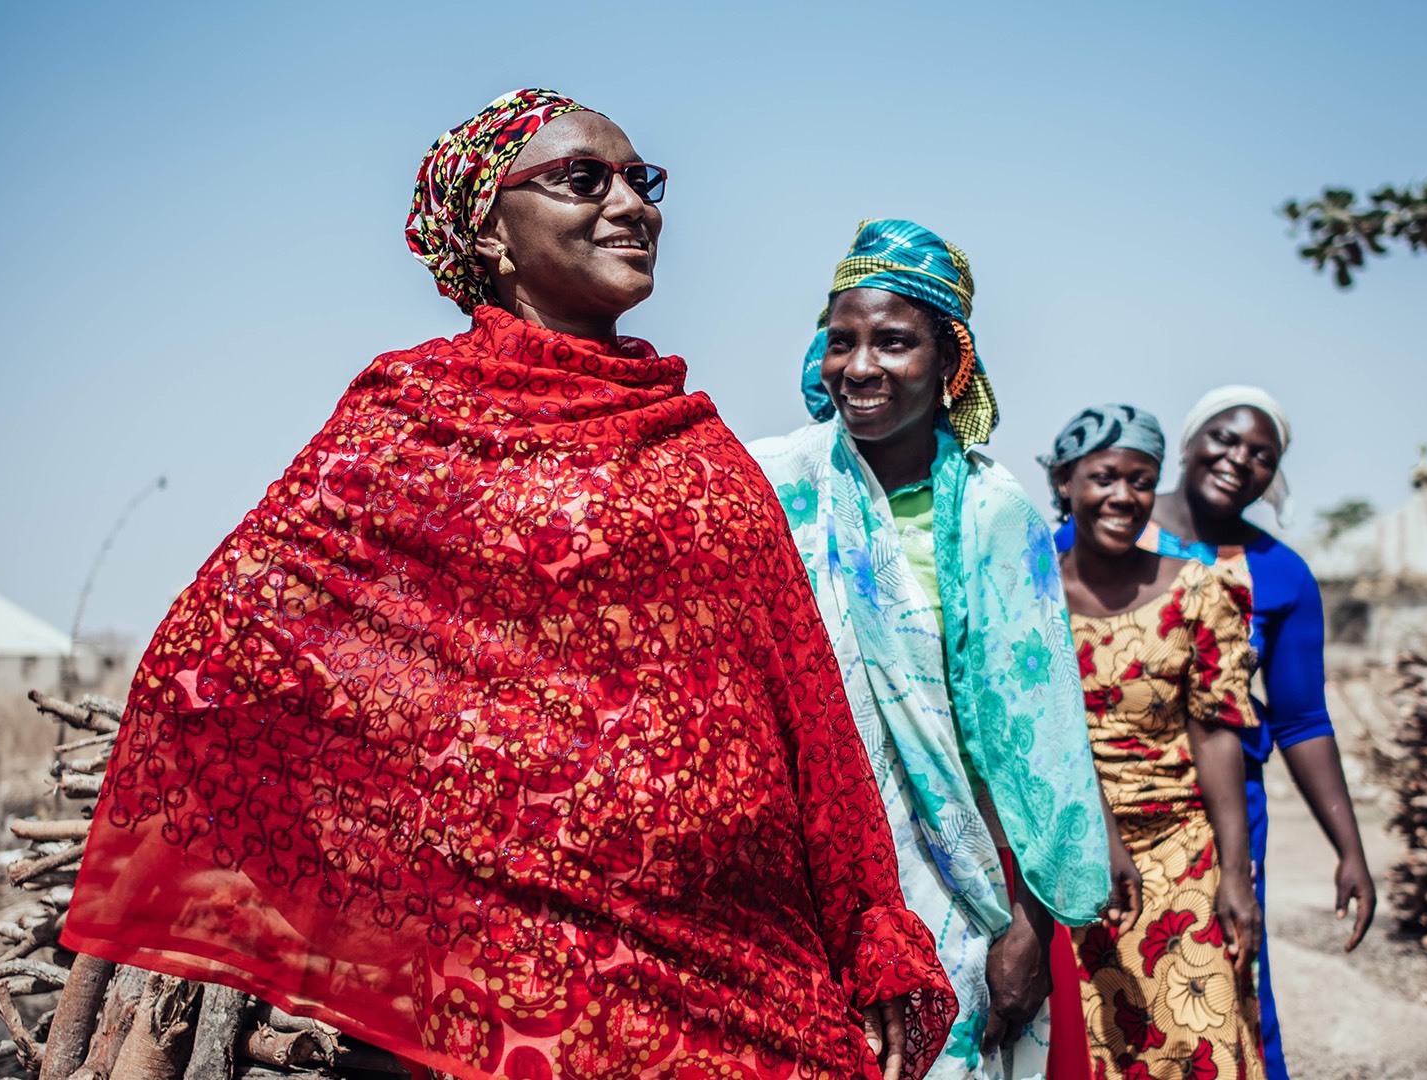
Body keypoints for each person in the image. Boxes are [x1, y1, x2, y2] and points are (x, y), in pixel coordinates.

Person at [59, 91, 956, 1080]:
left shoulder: (699, 448)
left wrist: (872, 928)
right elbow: (218, 651)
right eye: (585, 179)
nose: (632, 205)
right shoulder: (409, 424)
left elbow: (808, 715)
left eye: (642, 180)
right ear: (488, 228)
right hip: (506, 963)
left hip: (737, 959)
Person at [749, 220, 1123, 1080]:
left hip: (956, 891)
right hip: (801, 881)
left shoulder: (996, 519)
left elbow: (1035, 745)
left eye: (893, 342)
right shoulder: (774, 486)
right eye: (841, 341)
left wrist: (1029, 924)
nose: (862, 367)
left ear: (950, 362)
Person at [1055, 386, 1375, 1080]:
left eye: (1262, 456)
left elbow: (1301, 719)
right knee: (1090, 1021)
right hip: (1083, 814)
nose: (1240, 461)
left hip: (1208, 811)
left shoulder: (1279, 572)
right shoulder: (1088, 541)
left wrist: (1348, 848)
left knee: (1223, 1001)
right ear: (1191, 441)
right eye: (1226, 440)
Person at [1044, 405, 1266, 1080]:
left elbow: (1216, 729)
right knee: (1091, 1048)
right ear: (1065, 484)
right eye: (1103, 477)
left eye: (1141, 481)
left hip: (1180, 855)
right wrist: (1098, 837)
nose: (1122, 496)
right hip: (1067, 857)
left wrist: (1235, 873)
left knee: (1197, 1042)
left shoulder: (1199, 591)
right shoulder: (1029, 593)